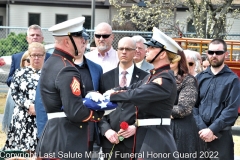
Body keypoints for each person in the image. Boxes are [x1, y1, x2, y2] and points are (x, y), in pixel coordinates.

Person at [103, 27, 181, 160]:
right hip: (147, 135)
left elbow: (135, 94)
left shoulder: (164, 79)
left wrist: (109, 96)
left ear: (162, 54)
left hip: (156, 138)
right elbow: (130, 88)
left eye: (151, 47)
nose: (147, 50)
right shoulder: (152, 76)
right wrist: (113, 91)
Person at [36, 17, 104, 159]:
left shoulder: (51, 63)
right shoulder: (67, 69)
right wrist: (100, 111)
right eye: (80, 38)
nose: (83, 41)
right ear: (67, 41)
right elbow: (76, 111)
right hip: (68, 140)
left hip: (55, 135)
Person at [98, 37, 148, 160]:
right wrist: (106, 130)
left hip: (134, 141)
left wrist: (136, 127)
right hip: (110, 140)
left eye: (127, 49)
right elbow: (98, 107)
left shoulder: (145, 78)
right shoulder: (105, 77)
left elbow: (148, 108)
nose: (124, 52)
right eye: (121, 49)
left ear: (135, 51)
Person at [193, 38, 240, 159]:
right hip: (199, 136)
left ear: (226, 54)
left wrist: (212, 130)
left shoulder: (233, 80)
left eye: (218, 53)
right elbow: (193, 106)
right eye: (211, 52)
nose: (214, 55)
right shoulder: (199, 78)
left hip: (221, 138)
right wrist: (203, 129)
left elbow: (231, 110)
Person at [3, 42, 46, 152]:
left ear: (44, 56)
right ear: (29, 56)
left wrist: (39, 107)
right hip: (22, 117)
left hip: (42, 116)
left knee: (40, 150)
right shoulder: (19, 73)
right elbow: (15, 92)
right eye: (33, 55)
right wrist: (29, 105)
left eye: (39, 55)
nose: (36, 58)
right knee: (22, 151)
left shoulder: (49, 73)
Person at [170, 50, 205, 160]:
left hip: (180, 131)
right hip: (160, 128)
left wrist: (158, 110)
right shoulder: (155, 77)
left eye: (171, 58)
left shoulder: (187, 79)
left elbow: (184, 109)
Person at [1, 51, 30, 133]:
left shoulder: (48, 57)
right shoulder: (16, 57)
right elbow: (9, 80)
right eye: (28, 60)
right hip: (20, 106)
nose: (32, 62)